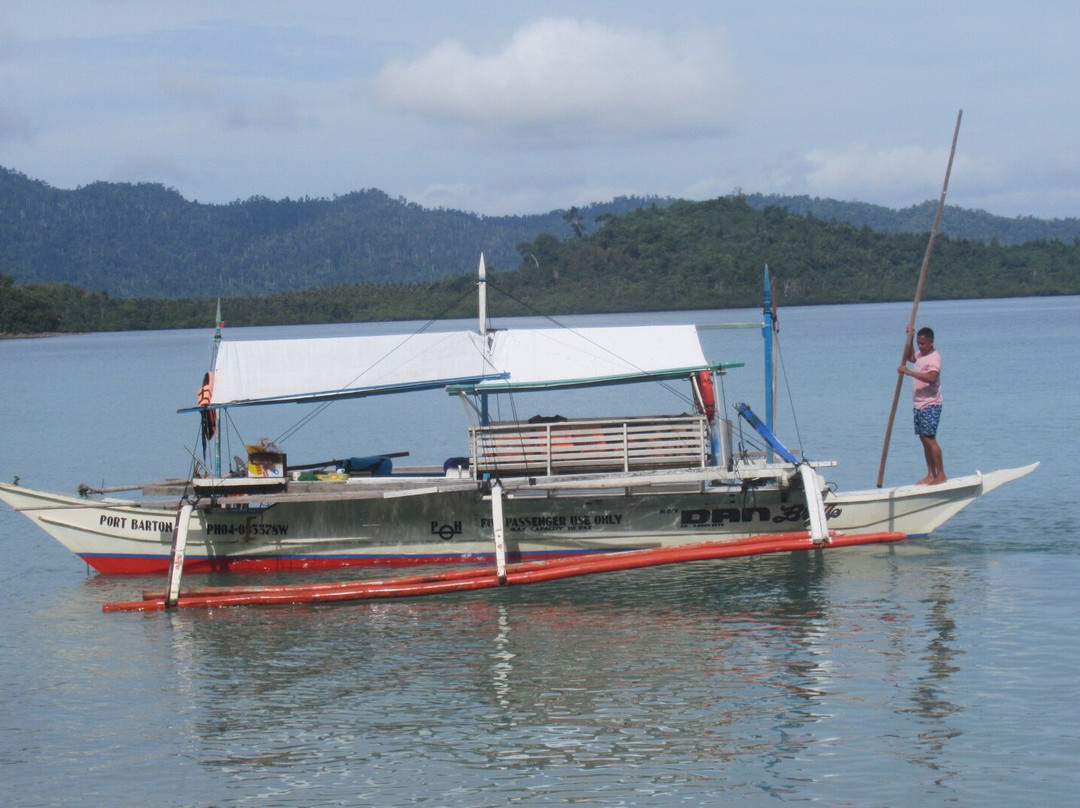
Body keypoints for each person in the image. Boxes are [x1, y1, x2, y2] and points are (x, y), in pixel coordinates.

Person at [899, 325, 945, 485]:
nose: (920, 346)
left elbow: (932, 377)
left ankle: (941, 475)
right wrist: (910, 338)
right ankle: (931, 474)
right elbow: (910, 357)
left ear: (931, 342)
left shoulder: (934, 357)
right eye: (918, 343)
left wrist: (909, 372)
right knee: (923, 439)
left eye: (923, 343)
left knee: (929, 438)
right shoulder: (921, 355)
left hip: (931, 404)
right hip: (919, 404)